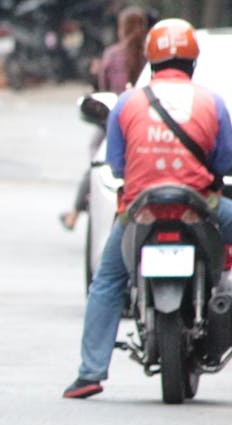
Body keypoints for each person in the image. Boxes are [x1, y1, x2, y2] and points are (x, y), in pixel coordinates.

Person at [64, 18, 232, 399]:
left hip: (141, 209)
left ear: (150, 61)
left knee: (107, 281)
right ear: (192, 61)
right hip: (199, 205)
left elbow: (118, 167)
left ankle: (89, 374)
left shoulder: (128, 102)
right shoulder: (212, 102)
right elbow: (223, 163)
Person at [60, 6, 150, 231]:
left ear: (122, 29)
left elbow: (101, 89)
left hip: (115, 122)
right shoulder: (150, 55)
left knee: (97, 164)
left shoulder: (112, 55)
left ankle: (74, 213)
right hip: (146, 122)